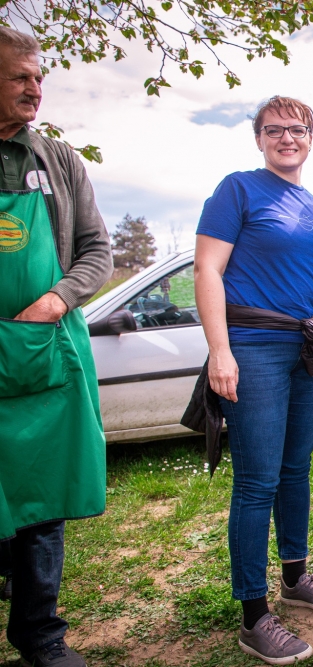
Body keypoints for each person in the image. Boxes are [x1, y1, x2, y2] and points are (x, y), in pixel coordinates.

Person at [194, 95, 313, 666]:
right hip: (254, 346)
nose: (288, 138)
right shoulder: (238, 189)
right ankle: (253, 615)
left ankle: (295, 576)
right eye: (275, 129)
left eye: (298, 129)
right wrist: (220, 351)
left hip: (310, 345)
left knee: (295, 468)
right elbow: (207, 268)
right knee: (257, 481)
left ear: (311, 137)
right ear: (259, 138)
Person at [0, 27, 112, 667]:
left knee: (42, 499)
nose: (34, 88)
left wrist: (54, 300)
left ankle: (39, 633)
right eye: (20, 77)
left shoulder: (58, 161)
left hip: (45, 346)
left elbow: (97, 251)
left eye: (38, 77)